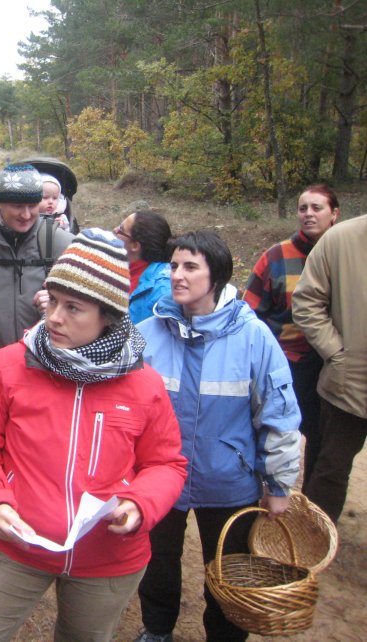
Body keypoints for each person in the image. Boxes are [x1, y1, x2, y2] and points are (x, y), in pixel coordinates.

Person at [0, 229, 187, 641]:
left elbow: (166, 464)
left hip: (107, 558)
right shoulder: (11, 365)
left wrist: (140, 504)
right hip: (14, 545)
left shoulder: (144, 385)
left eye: (73, 308)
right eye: (52, 300)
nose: (53, 317)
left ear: (108, 317)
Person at [133, 230, 301, 642]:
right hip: (160, 478)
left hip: (229, 480)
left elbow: (279, 414)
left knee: (228, 570)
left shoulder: (253, 336)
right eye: (174, 265)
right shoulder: (147, 331)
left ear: (217, 276)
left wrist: (279, 485)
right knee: (156, 559)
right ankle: (157, 629)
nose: (177, 275)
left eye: (191, 267)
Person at [243, 185, 340, 489]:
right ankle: (258, 493)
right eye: (303, 208)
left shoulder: (346, 256)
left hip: (331, 363)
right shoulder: (276, 256)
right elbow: (249, 314)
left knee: (323, 438)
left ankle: (310, 502)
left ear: (334, 214)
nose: (308, 214)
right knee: (270, 430)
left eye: (317, 208)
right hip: (284, 361)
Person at [0, 164, 74, 373]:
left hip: (48, 366)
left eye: (33, 205)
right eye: (17, 206)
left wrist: (57, 305)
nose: (26, 215)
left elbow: (85, 306)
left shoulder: (63, 244)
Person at [292, 213, 367, 524]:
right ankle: (312, 536)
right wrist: (337, 354)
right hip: (350, 383)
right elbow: (306, 302)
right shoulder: (340, 239)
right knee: (331, 467)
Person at [114, 209, 172, 324]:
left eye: (121, 229)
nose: (115, 230)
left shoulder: (160, 293)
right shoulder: (122, 268)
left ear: (135, 246)